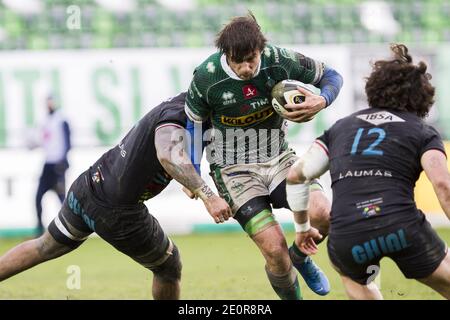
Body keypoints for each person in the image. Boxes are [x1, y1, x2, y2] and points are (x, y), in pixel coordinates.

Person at [0, 92, 232, 300]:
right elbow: (167, 156)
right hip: (117, 210)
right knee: (168, 267)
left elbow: (183, 155)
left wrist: (192, 179)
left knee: (43, 247)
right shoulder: (178, 113)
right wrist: (209, 196)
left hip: (88, 185)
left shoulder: (193, 115)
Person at [185, 13, 343, 299]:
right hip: (233, 169)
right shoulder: (207, 77)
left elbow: (332, 76)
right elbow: (193, 127)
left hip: (280, 158)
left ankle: (301, 256)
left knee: (324, 214)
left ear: (261, 50)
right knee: (274, 251)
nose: (246, 68)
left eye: (252, 59)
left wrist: (322, 99)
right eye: (238, 61)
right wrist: (194, 177)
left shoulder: (280, 59)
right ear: (225, 55)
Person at [286, 44, 450, 299]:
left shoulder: (339, 129)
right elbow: (443, 186)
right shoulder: (422, 132)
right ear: (422, 96)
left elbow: (296, 176)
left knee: (357, 282)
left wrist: (303, 228)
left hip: (348, 234)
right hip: (401, 226)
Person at [34, 95, 71, 236]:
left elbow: (68, 142)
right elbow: (42, 140)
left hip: (58, 164)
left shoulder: (61, 119)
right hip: (47, 164)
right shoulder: (44, 120)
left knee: (62, 200)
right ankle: (39, 229)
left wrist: (64, 161)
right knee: (37, 197)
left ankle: (68, 230)